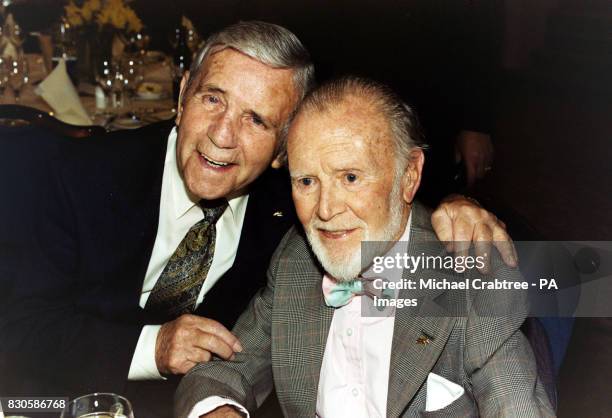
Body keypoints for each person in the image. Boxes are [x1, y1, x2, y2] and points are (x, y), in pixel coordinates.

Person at [0, 22, 513, 418]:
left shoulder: (296, 213)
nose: (222, 136)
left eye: (257, 120)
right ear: (181, 99)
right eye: (212, 99)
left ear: (284, 150)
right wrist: (152, 348)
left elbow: (367, 189)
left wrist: (452, 206)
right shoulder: (78, 177)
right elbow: (16, 333)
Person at [174, 76, 553, 418]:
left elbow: (515, 404)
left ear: (409, 176)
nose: (325, 210)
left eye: (350, 177)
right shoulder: (297, 261)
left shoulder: (469, 276)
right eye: (307, 181)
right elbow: (226, 370)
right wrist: (219, 410)